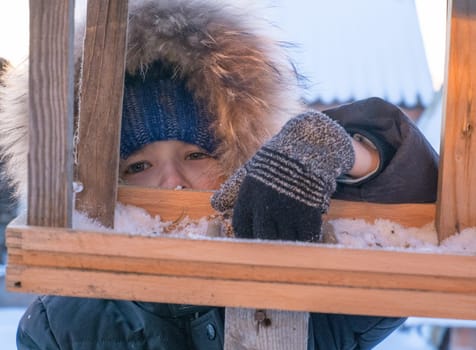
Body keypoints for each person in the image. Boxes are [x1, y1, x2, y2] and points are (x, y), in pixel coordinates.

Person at [0, 0, 438, 349]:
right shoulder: (60, 324)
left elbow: (414, 231)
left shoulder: (306, 285)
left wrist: (345, 151)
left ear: (240, 157)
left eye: (196, 153)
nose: (171, 181)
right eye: (137, 165)